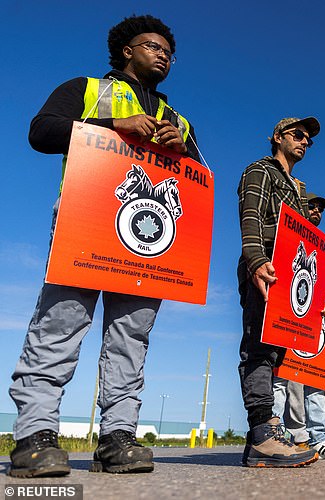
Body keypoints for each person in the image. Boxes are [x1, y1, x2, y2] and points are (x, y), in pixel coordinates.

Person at [8, 15, 201, 478]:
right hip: (88, 223)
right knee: (61, 321)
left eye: (169, 52)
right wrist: (115, 123)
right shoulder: (87, 88)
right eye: (152, 46)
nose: (163, 55)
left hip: (150, 243)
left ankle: (118, 437)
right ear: (126, 51)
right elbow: (42, 132)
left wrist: (185, 150)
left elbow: (198, 180)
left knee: (131, 336)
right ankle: (35, 436)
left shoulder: (179, 121)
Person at [237, 117, 321, 468]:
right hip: (266, 268)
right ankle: (262, 432)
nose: (304, 142)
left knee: (276, 354)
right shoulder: (261, 170)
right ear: (277, 137)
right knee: (258, 348)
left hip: (289, 275)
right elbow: (251, 215)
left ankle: (265, 436)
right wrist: (256, 260)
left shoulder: (296, 187)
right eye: (298, 135)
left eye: (309, 140)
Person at [272, 193, 325, 460]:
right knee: (279, 379)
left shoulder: (324, 253)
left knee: (316, 381)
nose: (316, 211)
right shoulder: (282, 238)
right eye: (311, 206)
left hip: (314, 323)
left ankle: (319, 438)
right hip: (285, 317)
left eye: (320, 209)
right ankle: (277, 435)